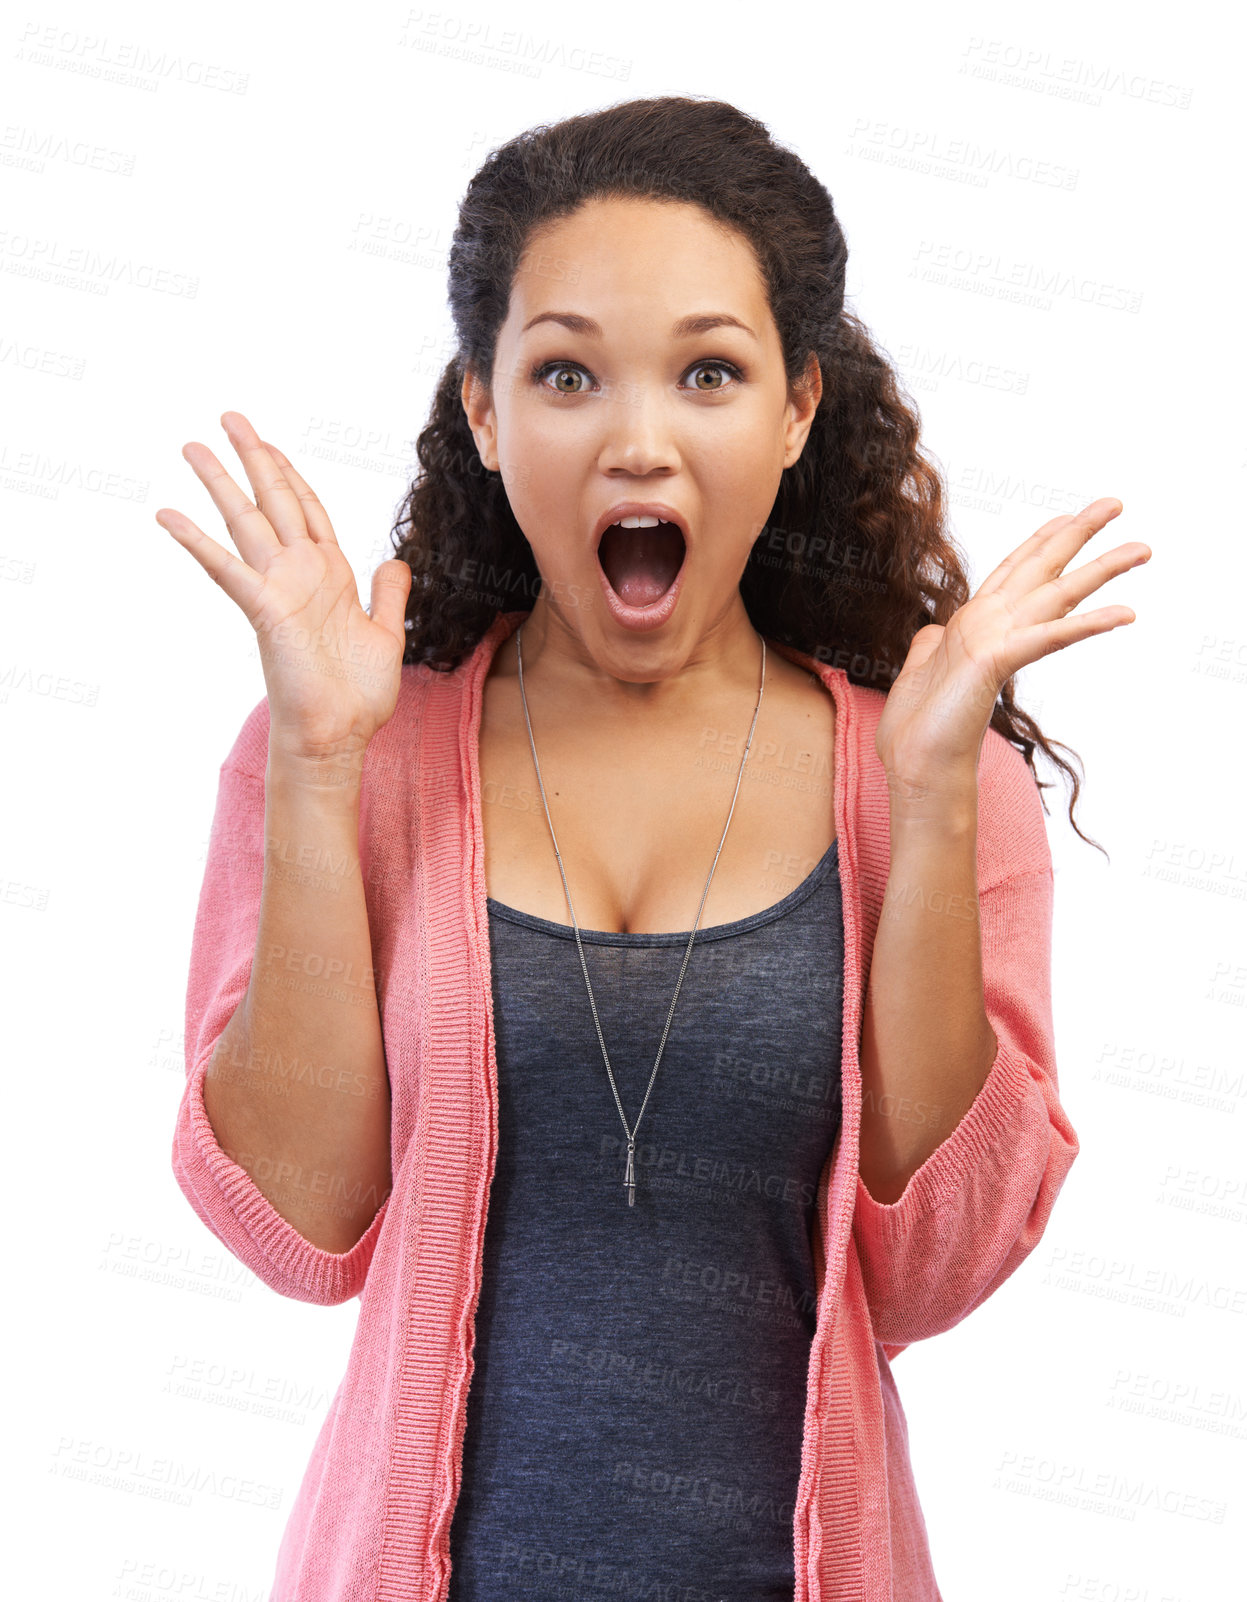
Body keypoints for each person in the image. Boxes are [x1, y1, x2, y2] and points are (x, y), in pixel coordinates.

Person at [159, 96, 1150, 1602]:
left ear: (797, 408)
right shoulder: (352, 749)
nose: (639, 438)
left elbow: (939, 1266)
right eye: (566, 372)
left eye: (709, 372)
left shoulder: (923, 776)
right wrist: (313, 763)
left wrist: (940, 790)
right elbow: (302, 1225)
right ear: (485, 414)